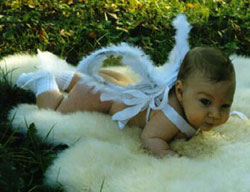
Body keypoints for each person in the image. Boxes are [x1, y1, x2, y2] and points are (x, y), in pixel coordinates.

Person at [16, 46, 236, 157]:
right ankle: (44, 80)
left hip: (119, 86)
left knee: (91, 85)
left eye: (225, 105)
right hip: (105, 97)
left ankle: (66, 77)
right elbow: (150, 137)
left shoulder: (188, 101)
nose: (216, 114)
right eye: (206, 102)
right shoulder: (172, 116)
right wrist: (169, 156)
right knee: (57, 111)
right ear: (180, 91)